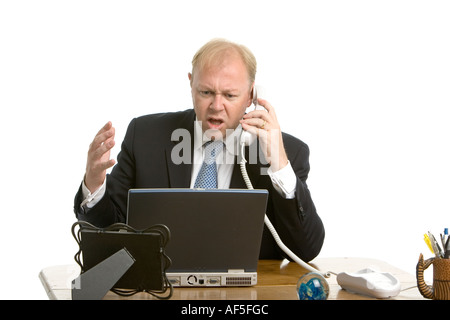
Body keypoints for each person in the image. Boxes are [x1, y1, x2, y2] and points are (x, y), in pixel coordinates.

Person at [74, 39, 324, 262]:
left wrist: (279, 164)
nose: (217, 106)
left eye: (229, 95)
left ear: (251, 96)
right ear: (191, 84)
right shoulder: (145, 136)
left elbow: (304, 250)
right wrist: (95, 185)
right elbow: (110, 235)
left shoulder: (290, 152)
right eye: (206, 92)